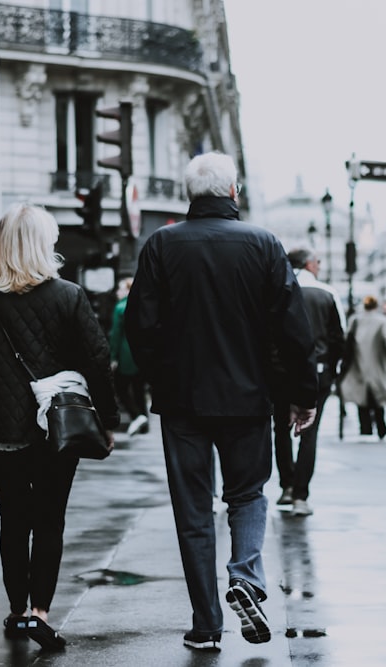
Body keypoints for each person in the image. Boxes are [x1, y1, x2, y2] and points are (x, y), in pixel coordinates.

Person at [125, 152, 318, 652]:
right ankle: (246, 578)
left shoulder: (161, 246)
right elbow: (294, 331)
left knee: (192, 512)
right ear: (234, 192)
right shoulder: (264, 245)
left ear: (191, 194)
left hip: (183, 402)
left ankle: (206, 625)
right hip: (248, 397)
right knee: (248, 494)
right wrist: (301, 395)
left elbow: (138, 330)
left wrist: (161, 379)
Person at [0, 203, 118, 651]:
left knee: (13, 519)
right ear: (43, 245)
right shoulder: (70, 297)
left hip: (2, 431)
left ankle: (17, 612)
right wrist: (109, 422)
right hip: (57, 430)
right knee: (50, 519)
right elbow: (98, 362)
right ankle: (40, 613)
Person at [272, 247, 345, 516]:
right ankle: (301, 494)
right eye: (318, 261)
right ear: (308, 265)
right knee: (309, 431)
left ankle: (287, 485)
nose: (319, 266)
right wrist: (334, 368)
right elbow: (339, 337)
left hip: (280, 372)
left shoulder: (278, 291)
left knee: (280, 428)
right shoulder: (326, 294)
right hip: (318, 370)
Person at [339, 295, 386, 439]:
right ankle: (381, 426)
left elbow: (346, 340)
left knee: (361, 396)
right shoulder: (382, 320)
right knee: (377, 395)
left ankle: (365, 427)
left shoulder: (355, 319)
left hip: (358, 363)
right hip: (376, 362)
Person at [109, 277, 149, 436]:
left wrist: (113, 356)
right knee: (139, 388)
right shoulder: (142, 306)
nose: (117, 292)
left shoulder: (120, 308)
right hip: (141, 354)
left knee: (120, 387)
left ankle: (136, 415)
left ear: (127, 290)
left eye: (120, 288)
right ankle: (143, 422)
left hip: (126, 353)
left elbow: (116, 335)